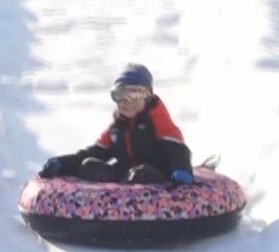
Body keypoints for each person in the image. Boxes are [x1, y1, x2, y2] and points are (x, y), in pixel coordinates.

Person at [37, 63, 195, 185]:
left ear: (148, 95)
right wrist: (62, 164)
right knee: (88, 165)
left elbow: (178, 150)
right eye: (120, 96)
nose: (126, 102)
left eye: (134, 95)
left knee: (142, 173)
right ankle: (112, 204)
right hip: (126, 179)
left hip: (157, 178)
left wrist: (181, 169)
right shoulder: (117, 128)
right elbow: (93, 152)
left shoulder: (158, 121)